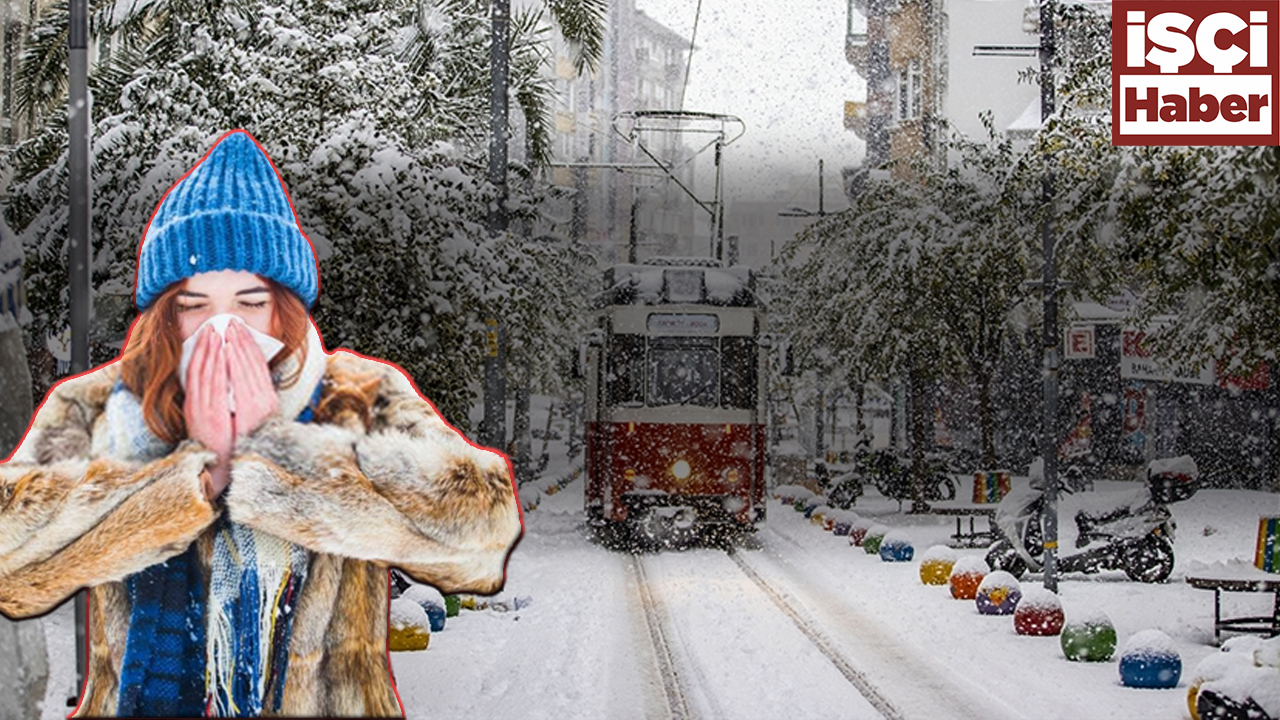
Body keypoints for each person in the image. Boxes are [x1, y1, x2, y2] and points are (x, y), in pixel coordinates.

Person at [0, 130, 523, 718]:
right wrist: (192, 482)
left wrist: (277, 457)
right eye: (194, 304)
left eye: (250, 304)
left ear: (284, 306)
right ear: (164, 313)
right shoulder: (98, 404)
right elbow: (12, 562)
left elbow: (483, 535)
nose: (224, 329)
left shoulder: (357, 395)